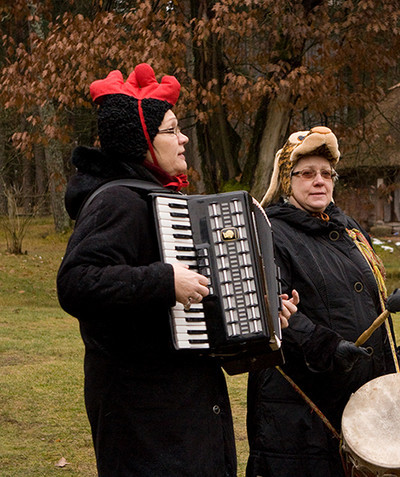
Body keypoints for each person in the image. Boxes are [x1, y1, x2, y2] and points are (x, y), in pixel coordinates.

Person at [56, 63, 297, 477]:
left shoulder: (159, 203)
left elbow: (195, 304)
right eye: (171, 130)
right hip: (144, 416)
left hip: (185, 404)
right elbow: (77, 283)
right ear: (142, 140)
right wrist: (165, 281)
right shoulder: (117, 202)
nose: (183, 138)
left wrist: (260, 313)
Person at [246, 126, 400, 476]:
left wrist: (389, 348)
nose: (319, 181)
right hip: (301, 401)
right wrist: (327, 346)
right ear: (288, 181)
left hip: (360, 389)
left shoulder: (347, 228)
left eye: (326, 173)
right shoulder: (271, 232)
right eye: (306, 173)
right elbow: (272, 309)